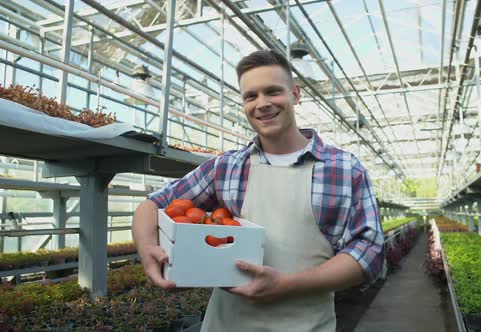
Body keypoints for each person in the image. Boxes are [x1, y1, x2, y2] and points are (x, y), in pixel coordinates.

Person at [132, 49, 384, 331]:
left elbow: (368, 251)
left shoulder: (343, 169)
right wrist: (148, 251)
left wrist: (288, 284)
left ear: (296, 94)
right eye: (251, 96)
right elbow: (152, 204)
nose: (262, 103)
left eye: (273, 92)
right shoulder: (226, 167)